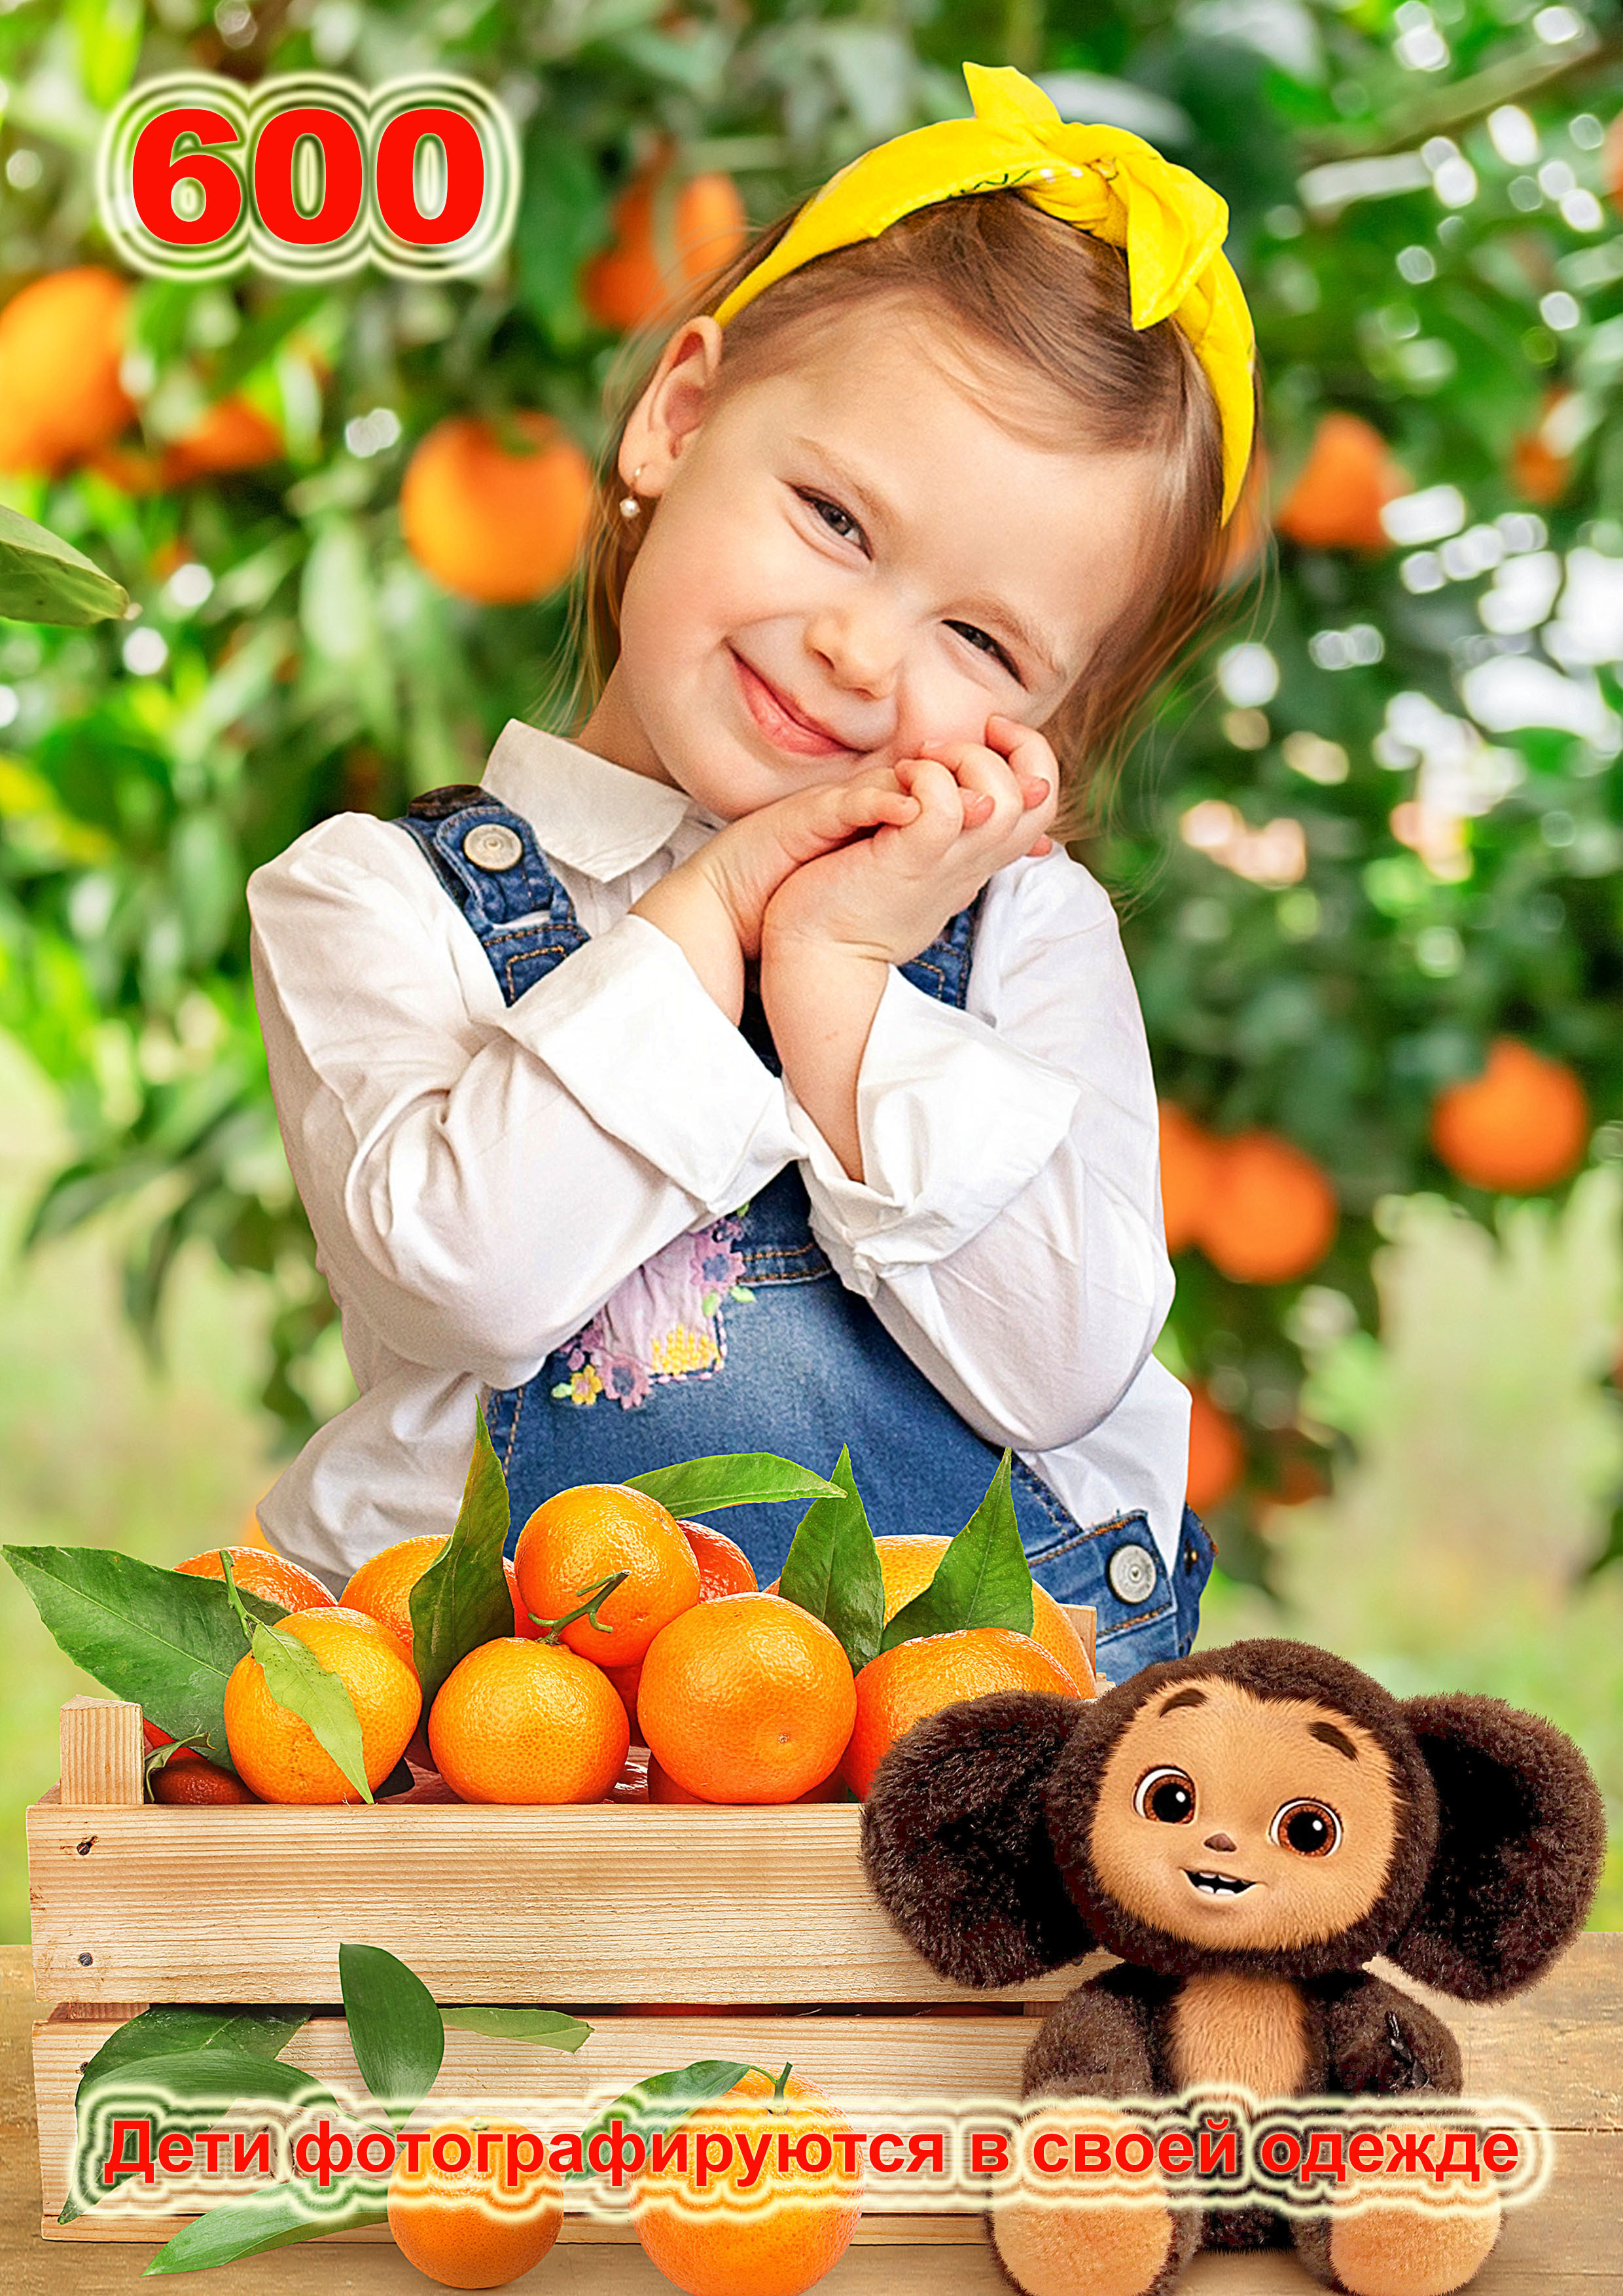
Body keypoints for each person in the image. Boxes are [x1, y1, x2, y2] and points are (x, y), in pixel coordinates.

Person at [247, 64, 1258, 1680]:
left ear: (1051, 725)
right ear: (681, 415)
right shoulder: (374, 900)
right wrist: (710, 914)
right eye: (836, 519)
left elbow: (1063, 1369)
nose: (860, 650)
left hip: (969, 1767)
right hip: (525, 1768)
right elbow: (475, 1280)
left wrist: (846, 982)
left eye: (982, 638)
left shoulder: (1021, 933)